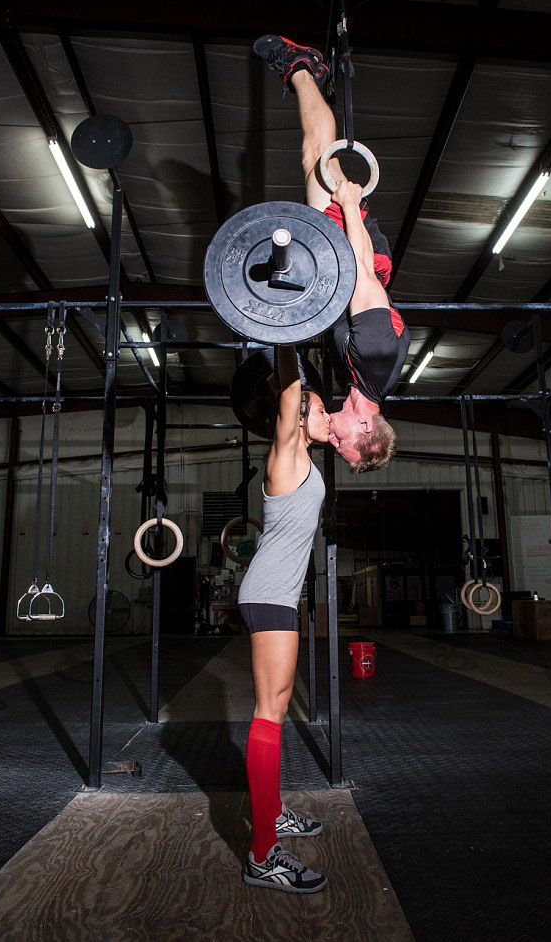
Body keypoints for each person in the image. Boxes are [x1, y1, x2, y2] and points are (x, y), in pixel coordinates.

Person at [254, 34, 411, 472]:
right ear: (365, 430)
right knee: (316, 156)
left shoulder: (360, 381)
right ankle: (301, 65)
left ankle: (307, 72)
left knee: (317, 156)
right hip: (353, 248)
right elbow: (364, 273)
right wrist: (347, 205)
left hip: (346, 258)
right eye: (342, 447)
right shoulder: (376, 359)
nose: (334, 442)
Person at [238, 345, 330, 894]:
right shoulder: (287, 452)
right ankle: (262, 854)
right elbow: (291, 389)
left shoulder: (305, 459)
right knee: (270, 713)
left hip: (278, 595)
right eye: (316, 409)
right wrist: (289, 325)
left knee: (278, 701)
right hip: (270, 594)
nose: (324, 415)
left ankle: (271, 816)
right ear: (296, 415)